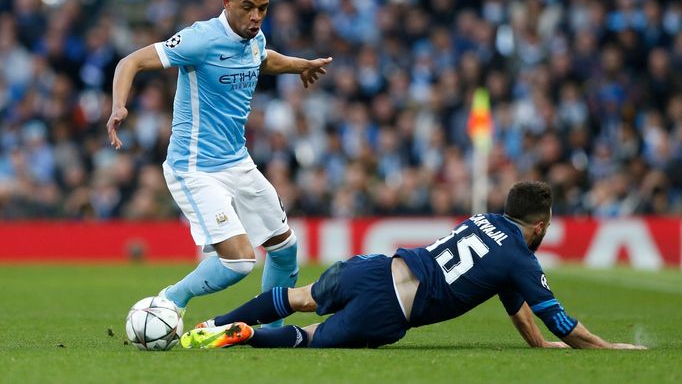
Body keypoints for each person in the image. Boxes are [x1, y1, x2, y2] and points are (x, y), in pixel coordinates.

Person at [106, 0, 332, 323]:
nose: (256, 16)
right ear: (227, 3)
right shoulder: (201, 39)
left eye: (263, 8)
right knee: (240, 261)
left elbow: (264, 58)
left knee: (285, 249)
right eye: (248, 7)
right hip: (194, 168)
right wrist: (120, 105)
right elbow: (130, 61)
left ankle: (270, 329)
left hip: (237, 162)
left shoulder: (254, 37)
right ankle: (168, 300)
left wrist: (298, 65)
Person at [179, 181, 646, 349]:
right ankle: (247, 335)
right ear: (541, 226)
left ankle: (215, 323)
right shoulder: (520, 258)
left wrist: (537, 345)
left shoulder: (483, 221)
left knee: (299, 298)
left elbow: (515, 303)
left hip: (373, 266)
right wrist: (607, 348)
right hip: (390, 307)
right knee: (311, 338)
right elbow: (562, 321)